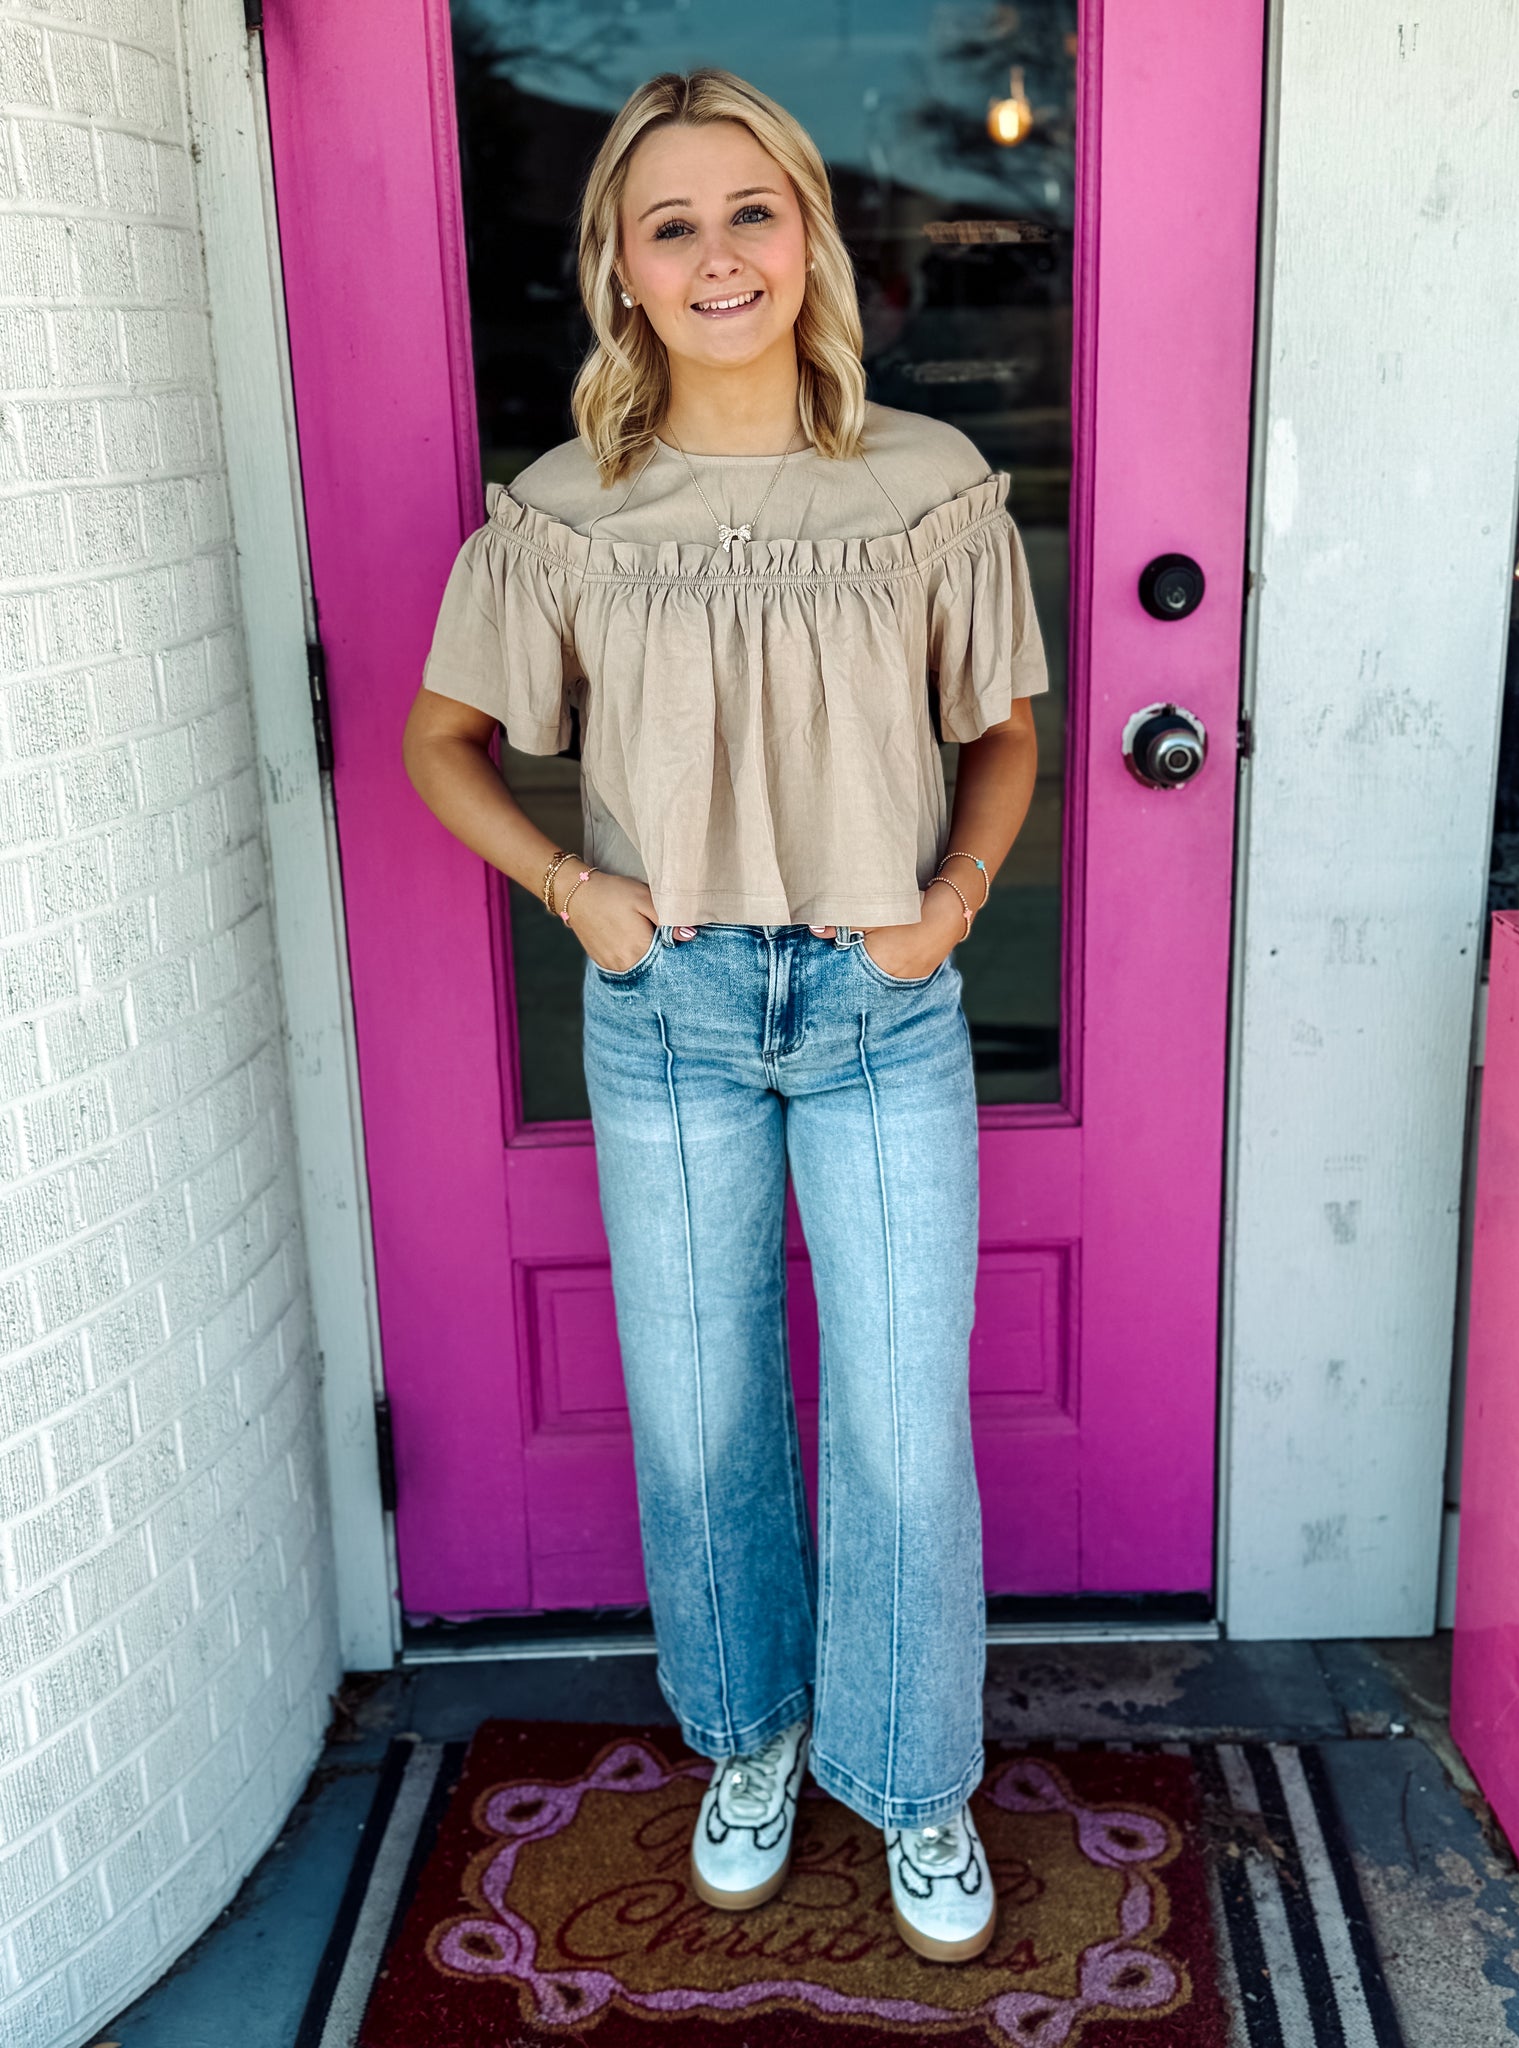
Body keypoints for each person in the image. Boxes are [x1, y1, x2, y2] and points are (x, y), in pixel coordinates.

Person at [403, 67, 1046, 1964]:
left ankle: (913, 1777)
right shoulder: (571, 510)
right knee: (699, 1417)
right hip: (667, 1010)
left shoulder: (924, 484)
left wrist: (947, 910)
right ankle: (750, 1739)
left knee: (903, 1421)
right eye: (669, 223)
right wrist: (576, 892)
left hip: (880, 1003)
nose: (717, 256)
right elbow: (442, 740)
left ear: (809, 236)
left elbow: (1004, 737)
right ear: (619, 265)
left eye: (750, 211)